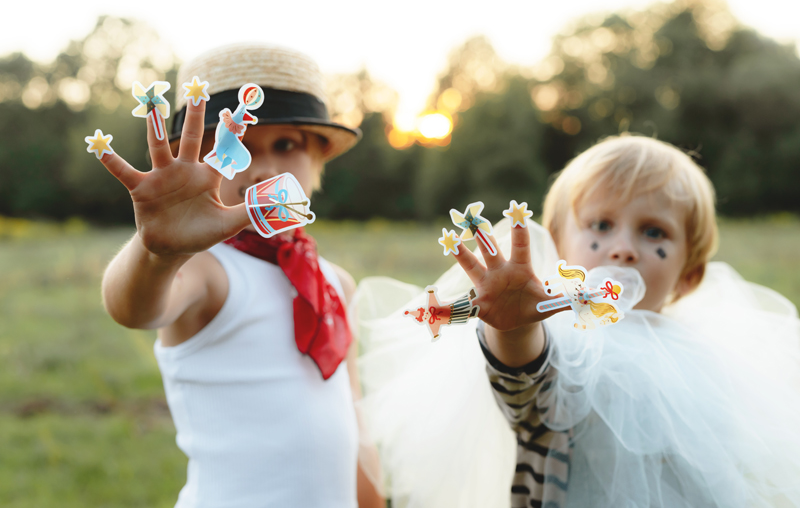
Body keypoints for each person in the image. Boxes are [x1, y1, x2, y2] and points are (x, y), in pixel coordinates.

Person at [354, 134, 800, 507]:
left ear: (688, 275)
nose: (623, 248)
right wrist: (516, 326)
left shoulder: (702, 358)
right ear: (560, 248)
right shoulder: (566, 338)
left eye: (653, 232)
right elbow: (527, 387)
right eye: (601, 225)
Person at [96, 43, 383, 507]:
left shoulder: (336, 283)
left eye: (286, 145)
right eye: (237, 146)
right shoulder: (207, 270)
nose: (264, 168)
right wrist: (157, 253)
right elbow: (132, 306)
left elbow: (352, 423)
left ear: (317, 160)